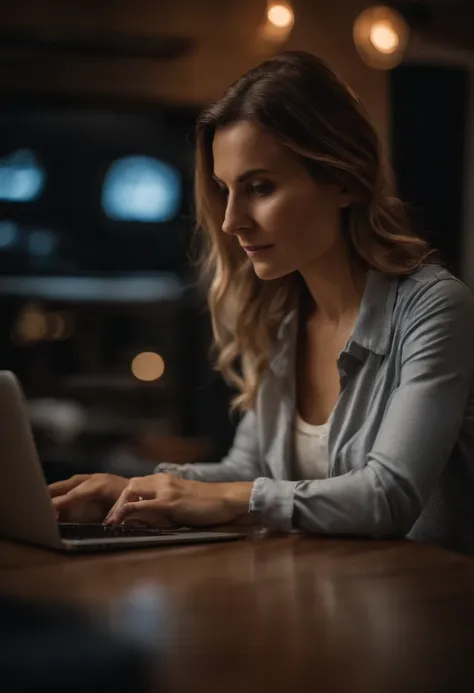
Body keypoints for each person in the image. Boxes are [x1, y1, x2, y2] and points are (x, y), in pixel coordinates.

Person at [49, 51, 474, 554]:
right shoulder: (280, 317)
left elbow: (388, 496)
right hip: (330, 599)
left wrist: (228, 497)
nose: (231, 221)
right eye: (226, 190)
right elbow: (247, 471)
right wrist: (135, 488)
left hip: (428, 610)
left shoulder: (434, 308)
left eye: (260, 188)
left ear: (341, 179)